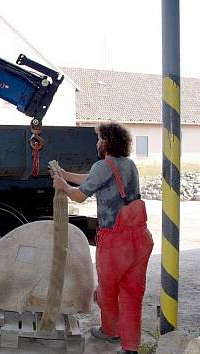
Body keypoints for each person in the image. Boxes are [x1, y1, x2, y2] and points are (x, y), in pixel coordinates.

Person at [50, 122, 153, 354]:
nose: (97, 143)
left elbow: (78, 196)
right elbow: (94, 179)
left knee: (106, 291)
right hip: (140, 237)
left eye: (99, 139)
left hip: (116, 241)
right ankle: (130, 346)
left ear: (106, 142)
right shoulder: (129, 165)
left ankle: (111, 331)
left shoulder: (102, 165)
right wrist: (66, 174)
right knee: (132, 293)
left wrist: (62, 185)